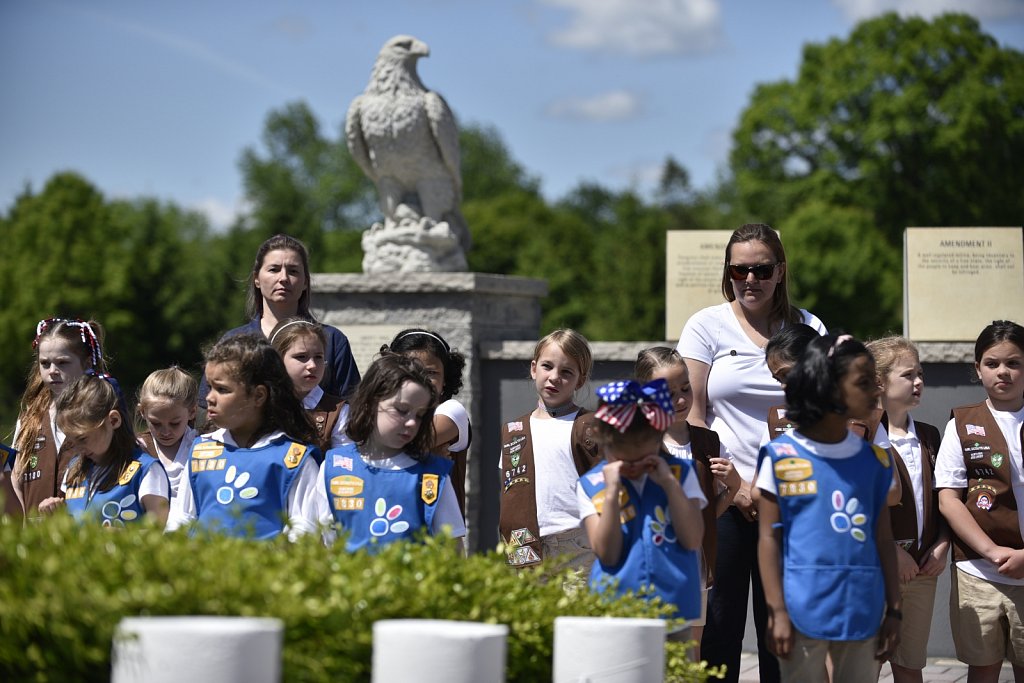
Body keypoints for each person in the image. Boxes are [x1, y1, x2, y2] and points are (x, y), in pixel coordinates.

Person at [677, 223, 826, 683]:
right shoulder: (707, 325)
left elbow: (823, 413)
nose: (749, 279)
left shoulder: (809, 328)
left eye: (761, 268)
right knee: (718, 630)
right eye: (739, 269)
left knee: (780, 632)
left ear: (780, 271)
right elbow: (692, 414)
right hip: (724, 497)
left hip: (793, 502)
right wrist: (734, 486)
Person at [756, 334, 901, 682]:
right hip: (801, 607)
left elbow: (884, 540)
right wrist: (776, 610)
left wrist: (894, 611)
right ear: (829, 386)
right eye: (863, 382)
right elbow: (768, 539)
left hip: (863, 607)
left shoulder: (876, 461)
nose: (876, 389)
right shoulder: (780, 456)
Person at [578, 379, 706, 641]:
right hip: (616, 612)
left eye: (642, 455)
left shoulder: (682, 474)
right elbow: (607, 553)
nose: (633, 465)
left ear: (659, 436)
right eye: (623, 457)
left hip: (674, 610)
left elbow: (693, 539)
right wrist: (612, 494)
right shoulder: (592, 484)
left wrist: (670, 485)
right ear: (605, 442)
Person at [935, 320, 1024, 683]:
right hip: (978, 571)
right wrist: (991, 551)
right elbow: (949, 499)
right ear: (977, 368)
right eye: (992, 363)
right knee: (982, 669)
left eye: (1014, 363)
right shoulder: (962, 423)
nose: (1002, 371)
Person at [166, 334, 322, 540]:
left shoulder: (293, 459)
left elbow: (303, 532)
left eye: (222, 389)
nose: (209, 398)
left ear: (258, 395)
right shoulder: (201, 450)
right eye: (210, 387)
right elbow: (181, 518)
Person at [635, 347, 738, 655]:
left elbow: (707, 515)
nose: (680, 400)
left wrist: (731, 488)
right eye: (668, 393)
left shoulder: (707, 442)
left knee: (690, 654)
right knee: (650, 652)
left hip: (694, 568)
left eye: (685, 388)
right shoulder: (637, 444)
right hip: (648, 567)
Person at [314, 353, 465, 551]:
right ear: (370, 404)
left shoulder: (434, 475)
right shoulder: (333, 468)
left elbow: (453, 550)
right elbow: (318, 545)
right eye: (401, 410)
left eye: (420, 415)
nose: (412, 422)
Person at [865, 336, 946, 683]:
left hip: (922, 572)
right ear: (879, 382)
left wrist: (943, 544)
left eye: (921, 374)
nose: (919, 383)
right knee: (863, 663)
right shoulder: (861, 435)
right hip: (875, 571)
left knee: (910, 664)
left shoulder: (929, 435)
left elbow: (944, 499)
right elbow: (858, 505)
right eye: (908, 375)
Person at [199, 234, 360, 408]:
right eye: (274, 269)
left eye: (293, 271)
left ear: (305, 282)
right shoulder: (233, 341)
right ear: (256, 279)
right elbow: (206, 409)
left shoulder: (333, 340)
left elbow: (353, 409)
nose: (283, 278)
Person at [498, 329, 600, 571]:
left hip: (577, 541)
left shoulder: (589, 426)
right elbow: (509, 491)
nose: (554, 377)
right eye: (547, 366)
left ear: (580, 380)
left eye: (566, 372)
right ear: (534, 369)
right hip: (523, 542)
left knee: (576, 610)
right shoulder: (514, 430)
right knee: (529, 609)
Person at [39, 373, 170, 527]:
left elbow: (163, 537)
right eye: (71, 440)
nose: (78, 448)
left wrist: (124, 540)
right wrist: (56, 515)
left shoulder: (146, 470)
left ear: (113, 420)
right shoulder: (75, 470)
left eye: (82, 439)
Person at [9, 318, 107, 520]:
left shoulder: (103, 415)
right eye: (45, 363)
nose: (52, 370)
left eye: (63, 363)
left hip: (84, 534)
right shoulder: (30, 419)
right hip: (34, 539)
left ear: (87, 363)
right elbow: (15, 481)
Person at [385, 328, 470, 515]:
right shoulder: (383, 410)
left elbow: (403, 443)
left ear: (445, 378)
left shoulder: (451, 411)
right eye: (410, 370)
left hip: (438, 528)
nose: (420, 379)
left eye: (431, 372)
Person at [269, 318, 350, 459]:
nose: (312, 365)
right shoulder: (261, 405)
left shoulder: (337, 411)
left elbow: (343, 464)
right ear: (277, 360)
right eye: (301, 356)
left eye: (318, 357)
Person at [137, 367, 199, 505]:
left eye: (175, 423)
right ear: (142, 411)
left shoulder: (202, 447)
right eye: (156, 423)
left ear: (192, 412)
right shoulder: (137, 448)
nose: (165, 432)